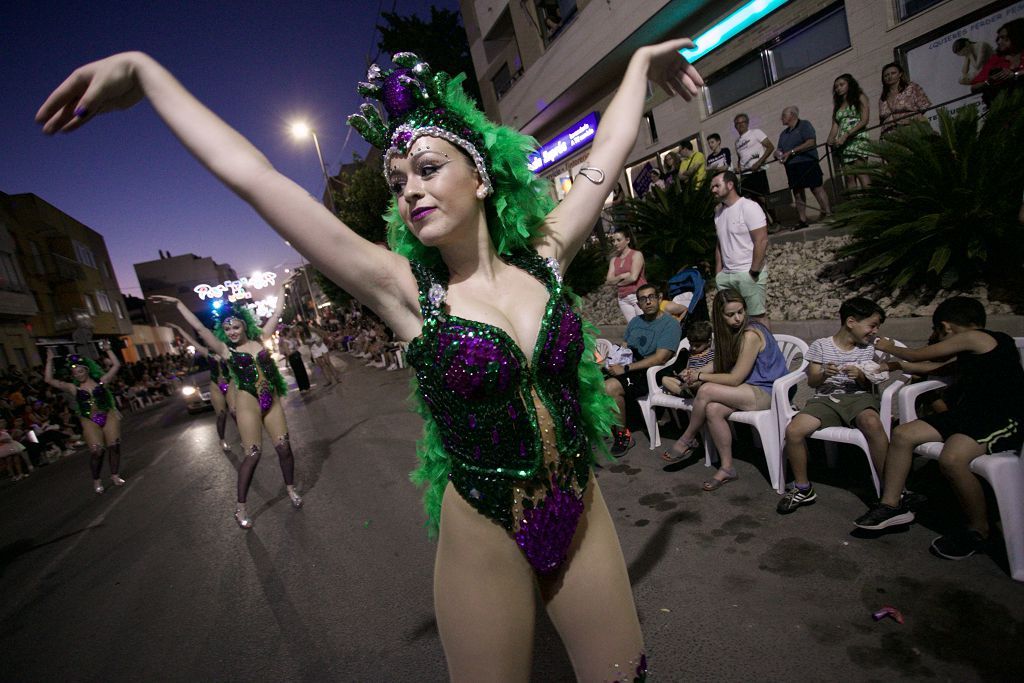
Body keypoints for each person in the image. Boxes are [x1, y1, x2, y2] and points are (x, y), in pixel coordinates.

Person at [39, 40, 704, 678]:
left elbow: (608, 152)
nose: (410, 189)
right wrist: (146, 75)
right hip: (484, 535)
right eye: (398, 180)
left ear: (480, 175)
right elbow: (257, 178)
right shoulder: (408, 293)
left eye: (428, 168)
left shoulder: (547, 258)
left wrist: (641, 62)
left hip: (580, 508)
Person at [854, 297, 1024, 561]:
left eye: (937, 332)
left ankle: (979, 529)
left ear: (945, 327)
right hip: (967, 416)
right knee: (903, 434)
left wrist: (889, 348)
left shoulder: (980, 338)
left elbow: (920, 355)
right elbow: (936, 367)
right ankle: (891, 505)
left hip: (1000, 419)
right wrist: (895, 366)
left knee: (952, 459)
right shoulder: (976, 352)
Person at [150, 293, 300, 529]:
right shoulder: (224, 350)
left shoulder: (261, 339)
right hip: (247, 404)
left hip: (271, 402)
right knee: (253, 454)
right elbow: (200, 328)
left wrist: (282, 288)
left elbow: (277, 312)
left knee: (284, 448)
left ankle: (290, 488)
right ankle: (240, 507)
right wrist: (178, 304)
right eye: (227, 328)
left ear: (244, 325)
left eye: (235, 326)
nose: (231, 331)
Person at [659, 290, 789, 490]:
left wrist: (700, 377)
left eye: (740, 311)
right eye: (730, 314)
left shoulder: (750, 334)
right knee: (713, 409)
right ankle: (727, 468)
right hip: (749, 388)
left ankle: (688, 438)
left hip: (769, 391)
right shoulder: (728, 334)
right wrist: (694, 372)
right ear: (720, 316)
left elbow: (735, 378)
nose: (737, 318)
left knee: (707, 390)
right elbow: (721, 364)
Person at [777, 297, 888, 514]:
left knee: (872, 423)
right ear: (851, 322)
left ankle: (891, 488)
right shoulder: (821, 345)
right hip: (826, 399)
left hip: (858, 397)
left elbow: (874, 380)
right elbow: (812, 382)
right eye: (872, 325)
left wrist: (861, 376)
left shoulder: (868, 348)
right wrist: (823, 374)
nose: (874, 331)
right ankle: (803, 487)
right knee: (793, 431)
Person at [603, 283, 682, 455]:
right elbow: (625, 346)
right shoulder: (635, 322)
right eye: (643, 299)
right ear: (638, 304)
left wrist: (625, 368)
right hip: (631, 365)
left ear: (659, 298)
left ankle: (623, 436)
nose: (648, 302)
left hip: (651, 372)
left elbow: (661, 358)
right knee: (592, 378)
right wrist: (611, 361)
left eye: (651, 297)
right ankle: (604, 424)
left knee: (610, 387)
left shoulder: (670, 324)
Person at [44, 343, 125, 494]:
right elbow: (49, 380)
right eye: (76, 373)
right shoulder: (72, 388)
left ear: (87, 370)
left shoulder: (102, 381)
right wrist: (49, 361)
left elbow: (116, 365)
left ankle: (115, 475)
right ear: (73, 375)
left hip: (107, 415)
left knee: (114, 445)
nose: (79, 374)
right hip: (89, 419)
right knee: (97, 451)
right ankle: (97, 480)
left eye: (81, 371)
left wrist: (108, 350)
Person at [710, 170, 769, 325]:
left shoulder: (749, 207)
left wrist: (753, 272)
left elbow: (761, 240)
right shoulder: (718, 212)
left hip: (747, 273)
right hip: (726, 276)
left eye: (717, 185)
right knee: (733, 319)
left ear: (730, 185)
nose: (713, 190)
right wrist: (718, 272)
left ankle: (768, 348)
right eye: (712, 187)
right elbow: (720, 243)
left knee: (757, 317)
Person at [167, 323, 236, 451]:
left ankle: (245, 436)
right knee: (221, 415)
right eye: (206, 338)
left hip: (230, 384)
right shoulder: (206, 353)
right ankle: (222, 440)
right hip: (216, 386)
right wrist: (179, 328)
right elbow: (192, 340)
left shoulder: (225, 349)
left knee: (234, 411)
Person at [775, 105, 831, 229]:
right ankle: (802, 220)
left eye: (784, 115)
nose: (781, 118)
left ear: (792, 115)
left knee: (816, 187)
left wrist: (792, 152)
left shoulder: (805, 125)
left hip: (807, 162)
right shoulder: (783, 134)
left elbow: (811, 142)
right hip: (791, 166)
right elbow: (779, 149)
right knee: (797, 192)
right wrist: (778, 154)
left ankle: (828, 213)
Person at [828, 73, 872, 190]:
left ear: (849, 84)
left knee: (861, 172)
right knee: (849, 177)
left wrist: (847, 134)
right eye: (836, 87)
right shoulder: (838, 106)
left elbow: (864, 120)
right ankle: (855, 207)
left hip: (857, 138)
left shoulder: (859, 97)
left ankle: (872, 204)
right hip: (843, 144)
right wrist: (830, 140)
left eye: (841, 85)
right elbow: (835, 126)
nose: (838, 88)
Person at [970, 19, 1024, 106]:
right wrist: (989, 81)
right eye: (998, 38)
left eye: (1003, 38)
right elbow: (974, 87)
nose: (998, 42)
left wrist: (1014, 75)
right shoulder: (996, 59)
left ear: (1016, 36)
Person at [733, 113, 775, 218]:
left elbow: (770, 147)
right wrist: (738, 168)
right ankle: (764, 223)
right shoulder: (737, 142)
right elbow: (740, 158)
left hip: (758, 171)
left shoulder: (756, 132)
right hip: (745, 175)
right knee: (751, 201)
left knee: (763, 197)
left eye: (742, 122)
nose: (740, 125)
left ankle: (775, 221)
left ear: (747, 123)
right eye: (737, 123)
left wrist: (759, 162)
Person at [658, 320, 714, 399]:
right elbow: (688, 366)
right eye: (691, 344)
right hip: (687, 381)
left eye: (697, 346)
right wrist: (684, 372)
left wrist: (695, 375)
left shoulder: (711, 354)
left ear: (708, 342)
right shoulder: (691, 353)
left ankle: (683, 391)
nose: (693, 348)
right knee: (664, 379)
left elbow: (710, 370)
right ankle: (683, 393)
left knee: (696, 383)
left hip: (700, 382)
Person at [605, 226, 648, 322]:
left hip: (638, 295)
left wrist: (618, 283)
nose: (615, 243)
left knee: (645, 325)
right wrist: (622, 276)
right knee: (633, 328)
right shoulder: (614, 260)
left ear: (627, 240)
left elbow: (633, 277)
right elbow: (608, 280)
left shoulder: (636, 255)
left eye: (618, 240)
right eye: (613, 241)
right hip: (623, 298)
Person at [878, 63, 931, 139]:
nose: (889, 77)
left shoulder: (911, 88)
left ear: (900, 74)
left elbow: (924, 106)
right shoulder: (882, 98)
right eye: (886, 75)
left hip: (911, 130)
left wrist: (913, 121)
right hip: (889, 135)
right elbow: (882, 119)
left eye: (893, 73)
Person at [281, 327, 312, 391]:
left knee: (303, 371)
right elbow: (288, 353)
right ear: (286, 332)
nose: (291, 332)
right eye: (289, 331)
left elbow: (297, 345)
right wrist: (295, 350)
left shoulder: (291, 339)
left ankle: (307, 386)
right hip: (293, 358)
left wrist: (297, 346)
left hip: (297, 355)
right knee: (298, 373)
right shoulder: (285, 342)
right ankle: (302, 388)